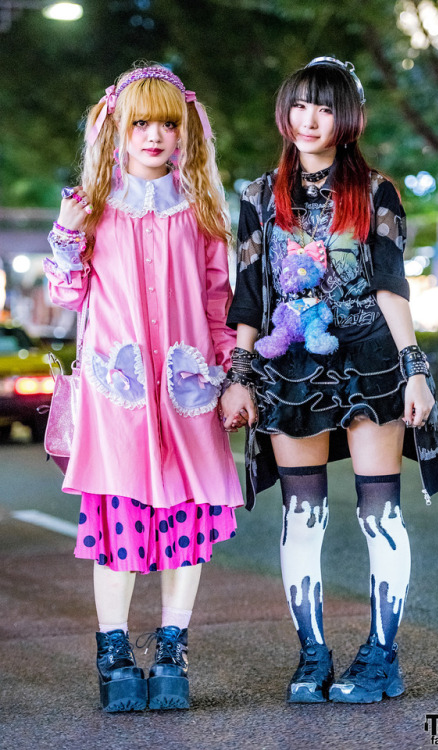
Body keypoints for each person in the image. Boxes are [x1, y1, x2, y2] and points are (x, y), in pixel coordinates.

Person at [222, 56, 438, 705]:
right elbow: (249, 291)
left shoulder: (376, 191)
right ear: (286, 112)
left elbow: (390, 286)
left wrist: (414, 368)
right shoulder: (259, 197)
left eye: (324, 107)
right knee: (302, 515)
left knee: (381, 514)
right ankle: (312, 655)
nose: (309, 119)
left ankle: (382, 656)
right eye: (299, 105)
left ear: (347, 119)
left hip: (371, 362)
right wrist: (239, 375)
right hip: (291, 368)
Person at [44, 63, 243, 713]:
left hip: (186, 394)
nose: (153, 136)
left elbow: (220, 304)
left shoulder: (202, 209)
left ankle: (171, 653)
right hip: (119, 395)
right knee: (121, 525)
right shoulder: (93, 207)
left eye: (166, 123)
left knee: (185, 522)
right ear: (118, 130)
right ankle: (113, 655)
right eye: (140, 124)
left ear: (184, 131)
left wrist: (231, 376)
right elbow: (65, 294)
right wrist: (69, 235)